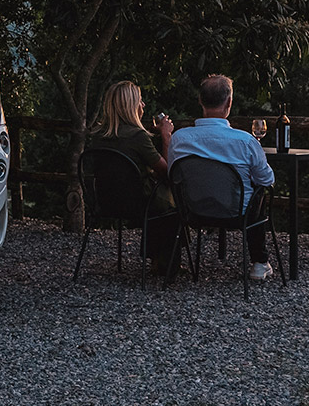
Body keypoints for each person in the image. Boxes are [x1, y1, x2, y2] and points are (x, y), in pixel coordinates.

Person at [167, 74, 277, 281]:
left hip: (192, 211)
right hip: (237, 213)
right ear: (229, 102)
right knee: (259, 192)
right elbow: (267, 179)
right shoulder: (245, 141)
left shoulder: (179, 138)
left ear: (200, 100)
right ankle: (259, 262)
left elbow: (173, 174)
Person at [88, 80, 177, 272]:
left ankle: (158, 259)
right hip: (138, 204)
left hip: (106, 202)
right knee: (169, 201)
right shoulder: (137, 137)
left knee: (159, 198)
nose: (143, 105)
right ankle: (163, 262)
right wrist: (166, 137)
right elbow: (167, 172)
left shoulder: (98, 135)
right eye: (140, 101)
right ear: (130, 106)